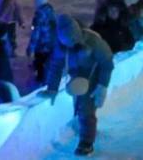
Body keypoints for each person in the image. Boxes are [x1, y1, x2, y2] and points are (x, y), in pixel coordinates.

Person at [45, 14, 115, 156]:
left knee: (86, 110)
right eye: (67, 41)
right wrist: (52, 89)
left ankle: (86, 143)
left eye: (72, 39)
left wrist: (102, 85)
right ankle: (85, 128)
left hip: (93, 78)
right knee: (79, 108)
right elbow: (56, 67)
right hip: (76, 80)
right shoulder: (61, 46)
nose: (70, 43)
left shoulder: (93, 42)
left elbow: (107, 62)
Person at [27, 0, 58, 82]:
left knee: (40, 64)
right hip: (51, 43)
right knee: (48, 63)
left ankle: (40, 81)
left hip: (42, 45)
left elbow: (36, 33)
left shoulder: (39, 15)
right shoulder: (51, 11)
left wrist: (31, 48)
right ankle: (48, 79)